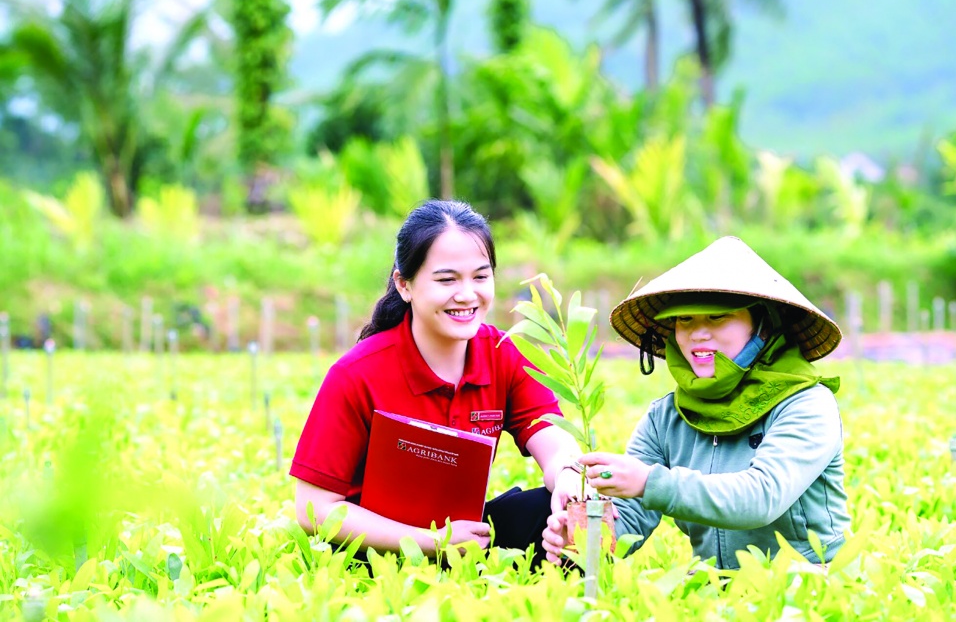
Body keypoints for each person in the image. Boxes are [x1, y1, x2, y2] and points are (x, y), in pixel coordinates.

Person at [291, 200, 583, 566]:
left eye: (480, 277)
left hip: (466, 539)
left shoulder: (504, 354)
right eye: (447, 280)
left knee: (554, 511)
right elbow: (314, 508)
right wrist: (433, 542)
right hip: (376, 550)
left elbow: (552, 439)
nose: (467, 295)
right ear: (404, 285)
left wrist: (568, 475)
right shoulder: (356, 374)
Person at [542, 236, 851, 570]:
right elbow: (630, 517)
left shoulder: (806, 403)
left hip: (809, 585)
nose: (698, 334)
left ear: (762, 325)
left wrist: (649, 482)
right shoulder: (666, 418)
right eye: (685, 319)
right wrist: (585, 536)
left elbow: (761, 497)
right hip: (713, 589)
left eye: (717, 317)